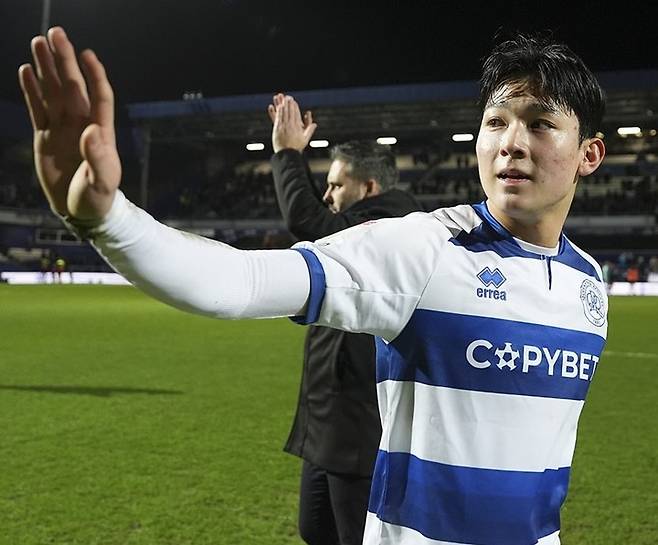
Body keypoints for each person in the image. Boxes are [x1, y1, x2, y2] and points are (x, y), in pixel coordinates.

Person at [20, 27, 608, 545]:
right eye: (495, 122)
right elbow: (240, 281)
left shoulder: (588, 286)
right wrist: (108, 218)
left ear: (589, 154)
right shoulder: (426, 249)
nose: (510, 142)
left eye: (540, 124)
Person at [267, 94, 421, 545]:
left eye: (335, 185)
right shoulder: (355, 231)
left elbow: (307, 220)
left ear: (369, 188)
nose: (327, 195)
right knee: (317, 529)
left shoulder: (390, 228)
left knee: (354, 536)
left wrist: (288, 154)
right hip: (328, 420)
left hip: (358, 424)